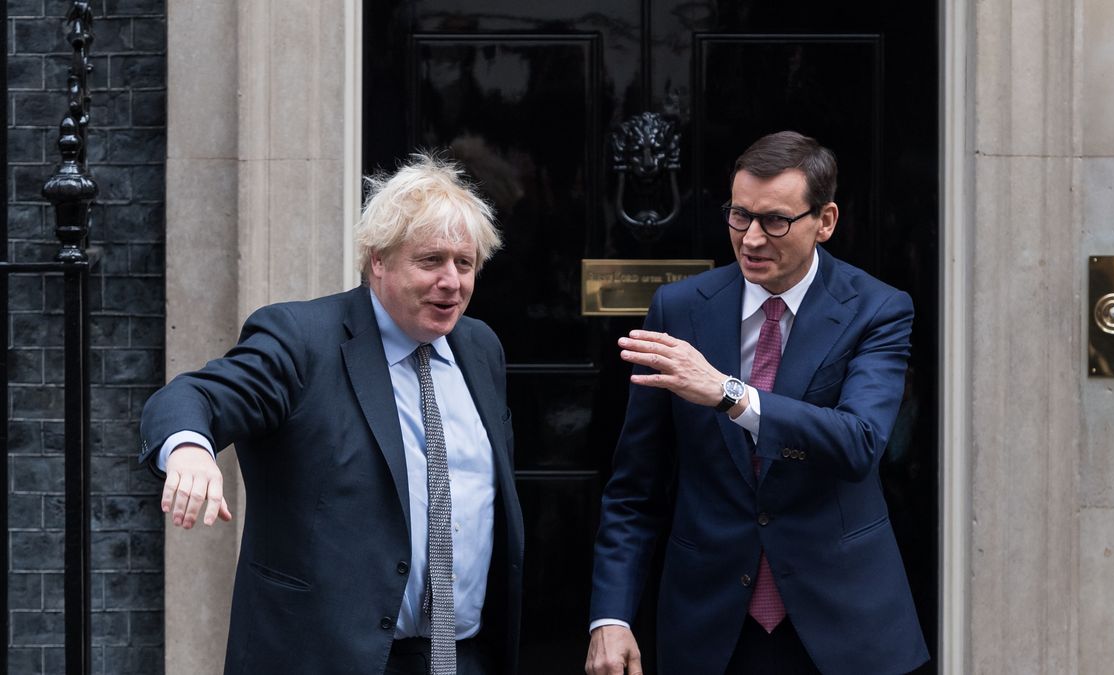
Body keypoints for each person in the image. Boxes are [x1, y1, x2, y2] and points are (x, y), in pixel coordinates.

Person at [138, 153, 523, 675]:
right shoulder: (301, 340)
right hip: (323, 656)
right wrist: (188, 448)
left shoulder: (480, 348)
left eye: (465, 263)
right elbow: (195, 395)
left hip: (458, 658)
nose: (452, 282)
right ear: (378, 260)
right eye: (430, 261)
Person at [585, 131, 929, 675]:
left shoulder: (877, 309)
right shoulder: (679, 309)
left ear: (826, 221)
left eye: (775, 220)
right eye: (739, 215)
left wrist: (729, 394)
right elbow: (635, 487)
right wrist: (610, 615)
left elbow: (859, 442)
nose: (750, 238)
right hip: (711, 627)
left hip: (845, 628)